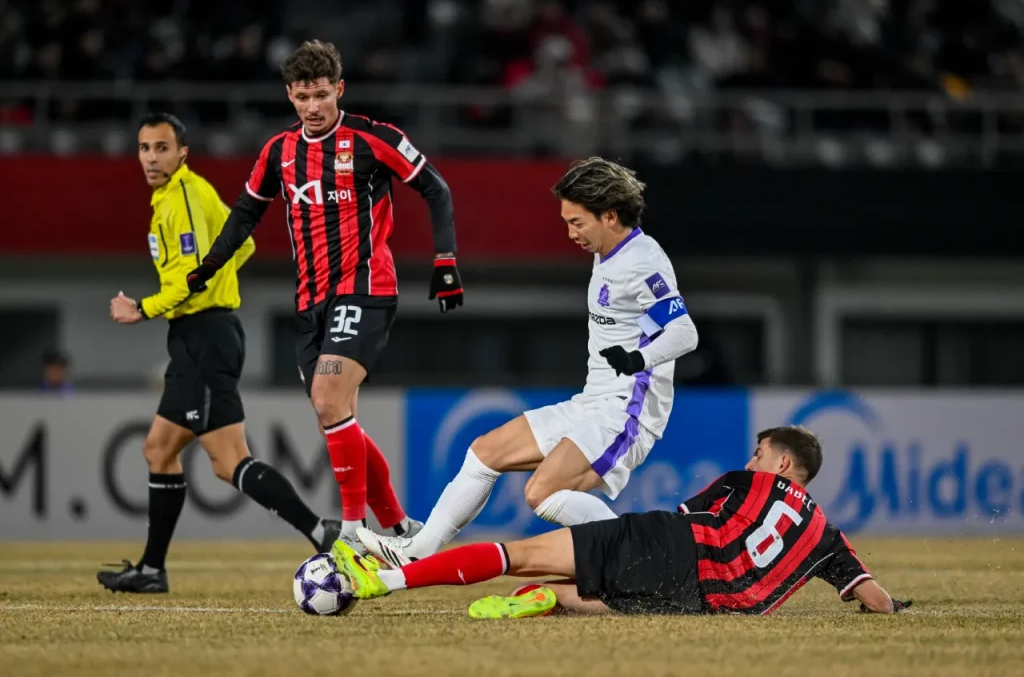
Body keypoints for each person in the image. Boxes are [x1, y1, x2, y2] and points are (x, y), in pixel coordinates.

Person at [358, 157, 698, 568]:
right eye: (567, 222)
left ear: (610, 216)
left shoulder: (642, 261)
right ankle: (416, 551)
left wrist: (637, 357)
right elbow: (644, 322)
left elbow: (684, 332)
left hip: (627, 412)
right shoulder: (612, 253)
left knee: (542, 493)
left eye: (577, 222)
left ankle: (640, 565)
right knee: (485, 452)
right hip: (594, 402)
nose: (570, 233)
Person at [186, 39, 458, 551]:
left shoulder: (374, 139)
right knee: (335, 415)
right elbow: (245, 213)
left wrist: (445, 260)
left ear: (339, 90)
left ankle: (352, 533)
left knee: (328, 399)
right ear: (289, 95)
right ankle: (401, 528)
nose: (313, 106)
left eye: (321, 95)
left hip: (365, 287)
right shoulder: (279, 151)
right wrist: (209, 266)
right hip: (310, 303)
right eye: (303, 96)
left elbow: (435, 188)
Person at [98, 113, 343, 594]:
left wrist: (141, 308)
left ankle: (322, 532)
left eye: (162, 148)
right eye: (145, 148)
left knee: (228, 461)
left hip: (206, 336)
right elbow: (243, 245)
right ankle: (151, 570)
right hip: (196, 337)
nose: (151, 157)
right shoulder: (184, 195)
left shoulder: (184, 198)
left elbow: (192, 277)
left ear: (182, 153)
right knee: (158, 449)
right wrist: (215, 278)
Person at [333, 426, 913, 618]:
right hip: (700, 604)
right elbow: (879, 600)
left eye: (760, 454)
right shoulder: (826, 536)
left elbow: (685, 519)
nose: (752, 460)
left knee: (516, 555)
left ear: (782, 464)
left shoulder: (746, 483)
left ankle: (380, 581)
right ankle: (552, 599)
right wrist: (887, 608)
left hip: (672, 545)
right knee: (605, 593)